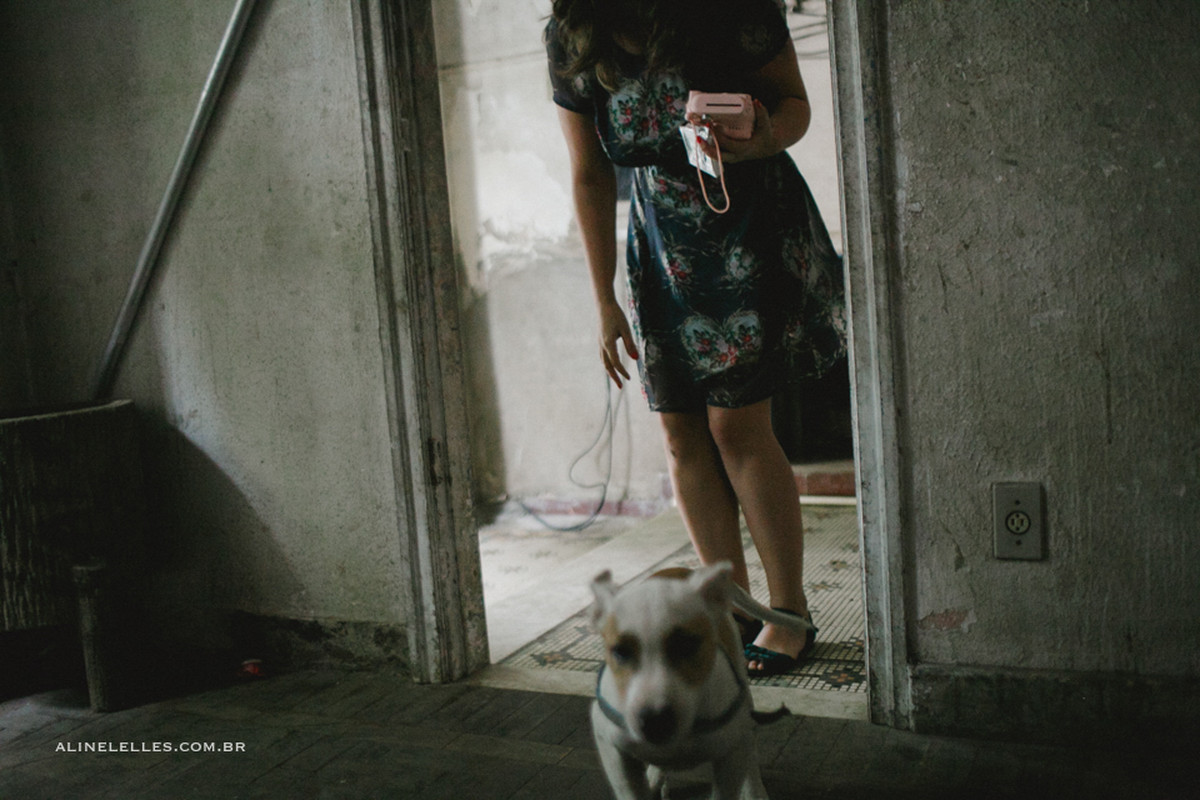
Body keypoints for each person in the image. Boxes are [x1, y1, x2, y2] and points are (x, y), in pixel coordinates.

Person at [546, 0, 846, 676]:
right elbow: (591, 174)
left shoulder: (731, 7)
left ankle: (789, 613)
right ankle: (731, 605)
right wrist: (603, 300)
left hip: (747, 226)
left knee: (736, 427)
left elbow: (794, 103)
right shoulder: (572, 33)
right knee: (680, 432)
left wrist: (766, 135)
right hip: (658, 245)